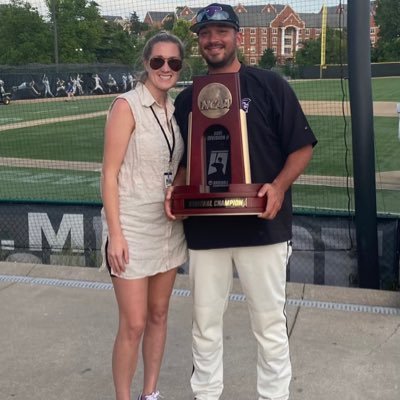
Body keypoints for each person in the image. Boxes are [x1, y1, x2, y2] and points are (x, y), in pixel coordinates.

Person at [165, 4, 317, 400]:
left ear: (236, 35)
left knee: (268, 324)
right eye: (205, 33)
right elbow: (184, 161)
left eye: (221, 31)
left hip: (262, 225)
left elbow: (301, 148)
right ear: (198, 41)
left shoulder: (269, 84)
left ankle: (273, 397)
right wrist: (176, 191)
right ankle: (206, 395)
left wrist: (280, 186)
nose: (213, 39)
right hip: (204, 228)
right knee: (204, 324)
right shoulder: (187, 100)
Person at [101, 31, 187, 400]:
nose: (165, 68)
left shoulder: (175, 109)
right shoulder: (127, 105)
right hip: (133, 224)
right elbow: (109, 173)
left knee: (158, 315)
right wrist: (116, 234)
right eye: (158, 61)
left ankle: (150, 393)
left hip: (168, 224)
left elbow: (178, 163)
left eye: (173, 62)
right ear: (146, 64)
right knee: (133, 323)